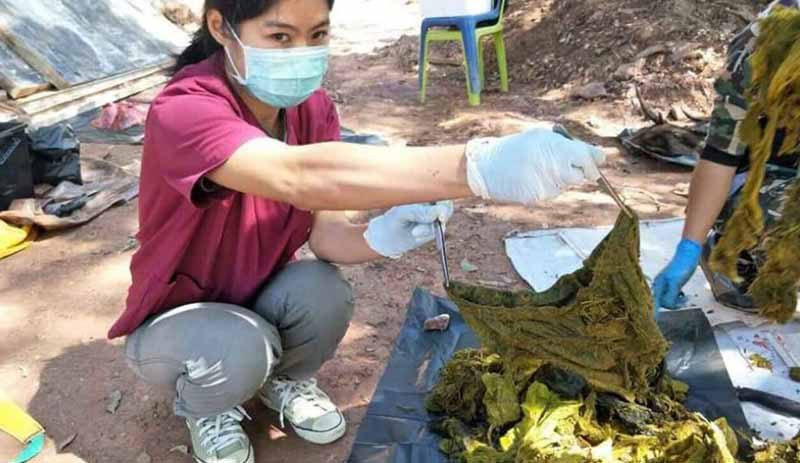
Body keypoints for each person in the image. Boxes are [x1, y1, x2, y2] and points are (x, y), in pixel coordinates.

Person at [108, 0, 605, 462]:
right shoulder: (185, 108)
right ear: (221, 27)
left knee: (323, 290)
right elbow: (300, 176)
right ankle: (207, 407)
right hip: (181, 318)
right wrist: (478, 165)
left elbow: (326, 236)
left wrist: (383, 236)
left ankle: (284, 381)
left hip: (255, 294)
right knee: (240, 346)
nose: (301, 53)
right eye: (280, 37)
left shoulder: (313, 108)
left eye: (317, 34)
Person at [653, 0, 800, 311]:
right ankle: (737, 257)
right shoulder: (762, 48)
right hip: (773, 183)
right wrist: (688, 248)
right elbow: (720, 157)